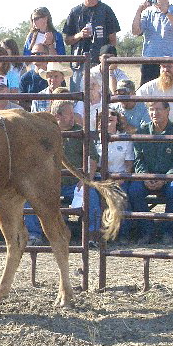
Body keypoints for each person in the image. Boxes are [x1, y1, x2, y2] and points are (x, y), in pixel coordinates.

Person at [24, 100, 101, 245]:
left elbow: (93, 158)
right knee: (30, 197)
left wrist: (86, 179)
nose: (73, 117)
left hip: (74, 183)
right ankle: (34, 234)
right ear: (57, 116)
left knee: (90, 194)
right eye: (69, 114)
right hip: (49, 183)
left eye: (73, 113)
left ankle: (92, 235)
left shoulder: (80, 133)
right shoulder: (43, 135)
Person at [128, 101, 173, 245]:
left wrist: (165, 178)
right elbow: (138, 159)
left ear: (167, 110)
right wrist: (145, 176)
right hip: (148, 177)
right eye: (151, 110)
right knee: (134, 191)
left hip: (170, 177)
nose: (154, 113)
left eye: (158, 109)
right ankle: (147, 231)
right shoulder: (142, 132)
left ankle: (167, 231)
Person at [63, 0, 120, 92]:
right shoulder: (75, 12)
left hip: (99, 64)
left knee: (101, 99)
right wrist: (79, 35)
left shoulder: (106, 11)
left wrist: (108, 61)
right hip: (79, 64)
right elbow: (67, 40)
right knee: (78, 99)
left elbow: (112, 40)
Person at [132, 0, 173, 86]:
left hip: (170, 63)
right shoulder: (147, 13)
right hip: (150, 62)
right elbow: (135, 31)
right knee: (148, 96)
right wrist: (139, 10)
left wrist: (167, 12)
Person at [96, 109, 134, 243]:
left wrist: (122, 178)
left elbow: (129, 164)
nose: (109, 117)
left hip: (120, 177)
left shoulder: (124, 138)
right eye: (104, 116)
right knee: (93, 197)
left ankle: (123, 233)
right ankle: (97, 232)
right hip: (99, 179)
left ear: (117, 120)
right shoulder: (94, 139)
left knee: (122, 196)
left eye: (112, 115)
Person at [19, 43, 49, 111]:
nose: (35, 56)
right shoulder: (25, 77)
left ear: (47, 55)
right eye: (33, 54)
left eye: (38, 54)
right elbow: (22, 102)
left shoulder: (54, 76)